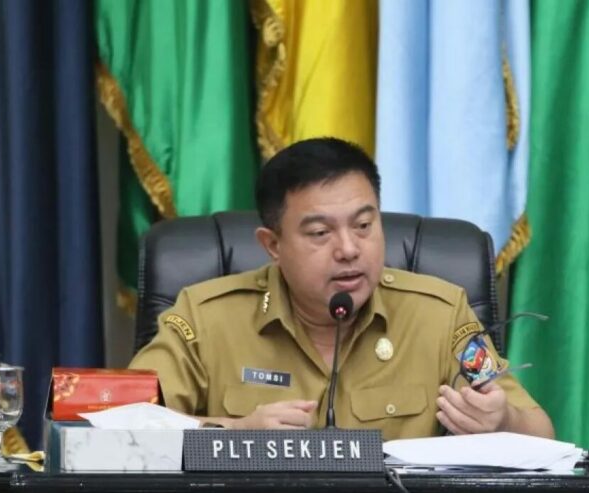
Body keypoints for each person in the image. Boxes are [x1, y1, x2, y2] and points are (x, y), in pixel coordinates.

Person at [130, 137, 554, 440]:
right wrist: (233, 433)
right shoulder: (206, 319)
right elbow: (124, 424)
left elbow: (545, 436)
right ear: (272, 244)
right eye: (319, 233)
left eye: (364, 226)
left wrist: (503, 422)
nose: (349, 249)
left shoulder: (440, 316)